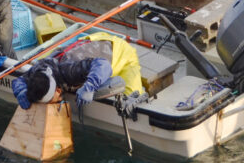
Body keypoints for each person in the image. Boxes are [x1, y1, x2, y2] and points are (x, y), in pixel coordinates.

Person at [11, 33, 147, 115]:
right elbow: (18, 81)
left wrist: (89, 86)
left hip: (119, 51)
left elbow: (103, 65)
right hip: (92, 41)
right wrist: (21, 91)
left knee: (132, 97)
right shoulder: (40, 70)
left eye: (51, 100)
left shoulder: (70, 71)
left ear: (57, 90)